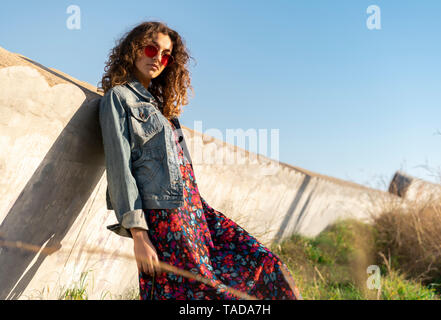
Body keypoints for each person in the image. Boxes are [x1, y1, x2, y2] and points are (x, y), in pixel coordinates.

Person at [98, 21, 302, 300]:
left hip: (197, 212)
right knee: (210, 294)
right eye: (151, 48)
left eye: (166, 55)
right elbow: (120, 170)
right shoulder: (118, 99)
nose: (158, 58)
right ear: (134, 50)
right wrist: (139, 235)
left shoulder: (161, 108)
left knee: (267, 266)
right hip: (168, 220)